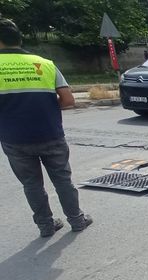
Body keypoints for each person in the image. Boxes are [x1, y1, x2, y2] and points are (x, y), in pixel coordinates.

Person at [0, 18, 92, 237]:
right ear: (19, 38)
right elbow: (68, 100)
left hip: (14, 138)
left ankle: (46, 226)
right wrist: (46, 110)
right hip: (50, 133)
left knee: (31, 184)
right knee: (62, 179)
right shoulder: (45, 63)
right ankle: (77, 220)